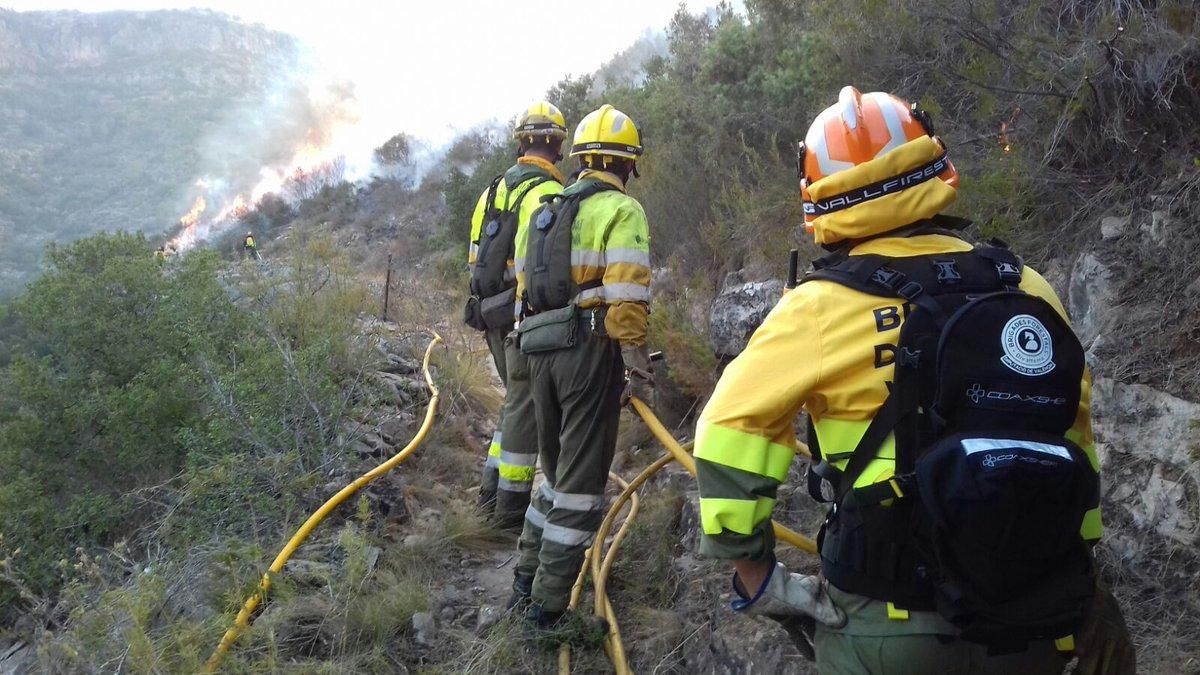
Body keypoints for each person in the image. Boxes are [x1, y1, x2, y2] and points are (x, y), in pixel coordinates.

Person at [693, 86, 1134, 674]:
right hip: (1038, 609)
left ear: (820, 203)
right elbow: (1073, 434)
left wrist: (756, 574)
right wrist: (1077, 562)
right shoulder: (1026, 287)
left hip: (890, 621)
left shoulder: (818, 307)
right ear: (935, 168)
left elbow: (727, 429)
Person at [506, 104, 654, 624]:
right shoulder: (622, 211)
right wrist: (635, 367)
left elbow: (522, 285)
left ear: (581, 159)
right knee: (579, 486)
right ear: (627, 164)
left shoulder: (545, 210)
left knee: (552, 476)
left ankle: (523, 583)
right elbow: (627, 300)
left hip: (536, 351)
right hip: (587, 353)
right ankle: (547, 612)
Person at [466, 102, 569, 529]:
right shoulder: (546, 192)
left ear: (520, 143)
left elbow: (474, 258)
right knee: (526, 409)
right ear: (558, 145)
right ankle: (508, 514)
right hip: (521, 317)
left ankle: (488, 498)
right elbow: (536, 263)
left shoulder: (491, 192)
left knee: (513, 404)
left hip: (489, 313)